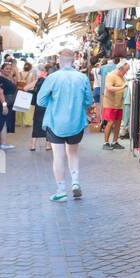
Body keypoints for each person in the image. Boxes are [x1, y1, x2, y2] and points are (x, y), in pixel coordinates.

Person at [36, 48, 93, 201]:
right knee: (73, 153)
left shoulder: (52, 78)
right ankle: (75, 182)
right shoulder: (82, 78)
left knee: (58, 156)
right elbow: (89, 101)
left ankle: (61, 191)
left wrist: (54, 102)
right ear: (73, 61)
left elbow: (40, 101)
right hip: (76, 122)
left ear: (59, 61)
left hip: (55, 123)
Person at [101, 60, 129, 150]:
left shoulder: (122, 76)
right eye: (125, 70)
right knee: (110, 122)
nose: (126, 72)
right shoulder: (111, 76)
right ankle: (106, 143)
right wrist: (122, 87)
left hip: (119, 103)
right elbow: (109, 88)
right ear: (120, 69)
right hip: (110, 103)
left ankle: (115, 141)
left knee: (118, 122)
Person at [29, 59, 53, 152]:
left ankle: (33, 145)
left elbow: (25, 88)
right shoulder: (51, 81)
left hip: (39, 105)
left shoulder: (38, 80)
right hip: (48, 105)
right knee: (48, 124)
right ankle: (47, 145)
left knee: (36, 123)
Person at [0, 61, 18, 149]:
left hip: (8, 103)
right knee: (3, 123)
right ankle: (3, 144)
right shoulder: (0, 79)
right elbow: (0, 93)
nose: (8, 70)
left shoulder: (8, 78)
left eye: (10, 69)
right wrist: (4, 105)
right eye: (6, 69)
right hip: (4, 103)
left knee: (2, 122)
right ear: (1, 70)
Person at [97, 57, 117, 132]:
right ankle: (113, 123)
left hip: (104, 90)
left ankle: (104, 122)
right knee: (114, 107)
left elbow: (99, 75)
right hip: (114, 90)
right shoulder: (116, 67)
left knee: (104, 107)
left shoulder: (102, 68)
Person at [16, 61, 36, 127]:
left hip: (20, 90)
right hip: (28, 91)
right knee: (28, 107)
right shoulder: (32, 74)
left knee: (19, 106)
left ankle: (18, 121)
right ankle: (27, 122)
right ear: (30, 68)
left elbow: (17, 81)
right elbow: (33, 84)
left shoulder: (19, 73)